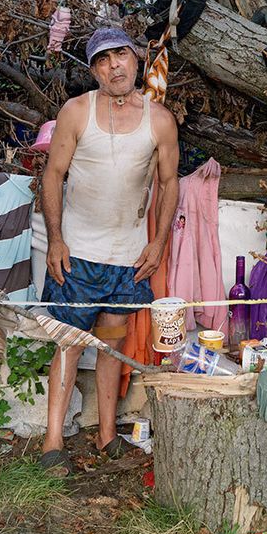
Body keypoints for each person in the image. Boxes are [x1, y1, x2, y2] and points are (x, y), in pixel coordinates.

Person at [37, 27, 179, 473]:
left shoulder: (160, 120)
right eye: (103, 60)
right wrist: (56, 239)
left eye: (121, 55)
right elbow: (52, 175)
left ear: (136, 61)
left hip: (127, 257)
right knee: (68, 344)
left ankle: (106, 435)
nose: (114, 65)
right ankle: (53, 442)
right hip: (76, 254)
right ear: (94, 70)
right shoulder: (76, 112)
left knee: (111, 343)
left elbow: (169, 183)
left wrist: (158, 242)